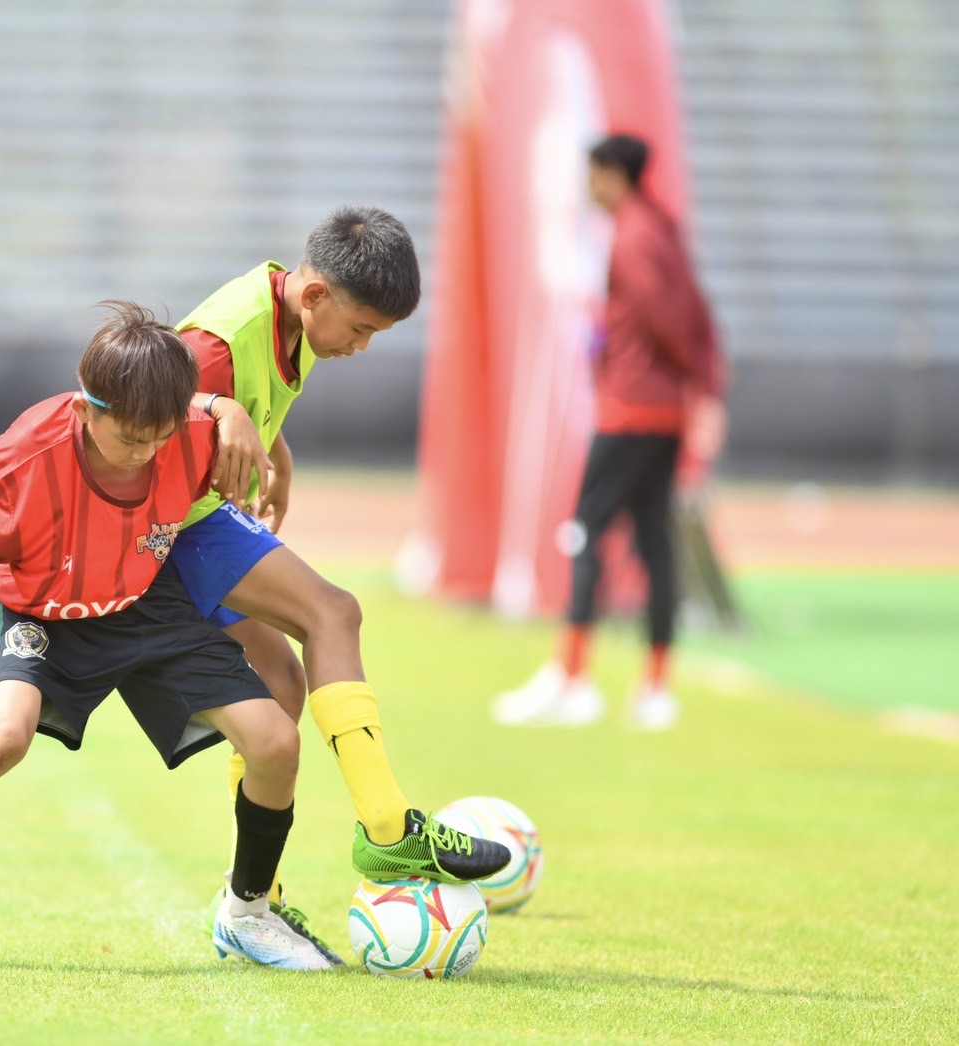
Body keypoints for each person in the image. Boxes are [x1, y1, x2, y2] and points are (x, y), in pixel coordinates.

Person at [0, 302, 336, 970]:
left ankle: (247, 915)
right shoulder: (29, 457)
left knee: (276, 742)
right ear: (86, 410)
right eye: (131, 439)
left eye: (159, 438)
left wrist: (228, 415)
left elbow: (227, 422)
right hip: (46, 615)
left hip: (146, 601)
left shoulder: (191, 433)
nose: (146, 453)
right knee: (3, 739)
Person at [171, 205, 512, 922]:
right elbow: (137, 397)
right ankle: (387, 829)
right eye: (359, 330)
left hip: (198, 516)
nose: (361, 347)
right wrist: (220, 410)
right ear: (318, 294)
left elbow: (249, 396)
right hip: (172, 529)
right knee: (333, 612)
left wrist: (276, 451)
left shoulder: (291, 312)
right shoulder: (221, 339)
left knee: (279, 684)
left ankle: (251, 895)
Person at [492, 133, 726, 731]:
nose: (589, 186)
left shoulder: (632, 235)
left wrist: (684, 372)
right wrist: (702, 386)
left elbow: (663, 316)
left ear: (614, 175)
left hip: (630, 407)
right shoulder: (663, 229)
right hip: (664, 411)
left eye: (593, 174)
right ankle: (655, 687)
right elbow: (696, 311)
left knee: (586, 530)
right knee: (653, 538)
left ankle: (573, 679)